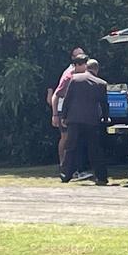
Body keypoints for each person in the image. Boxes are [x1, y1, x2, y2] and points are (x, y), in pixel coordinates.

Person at [60, 55, 110, 185]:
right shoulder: (101, 83)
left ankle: (66, 174)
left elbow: (67, 99)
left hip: (74, 119)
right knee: (95, 149)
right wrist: (105, 118)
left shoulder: (75, 79)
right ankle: (101, 176)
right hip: (91, 121)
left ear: (87, 67)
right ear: (97, 70)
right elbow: (104, 104)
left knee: (71, 147)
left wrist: (63, 116)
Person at [50, 47, 92, 181]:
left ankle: (70, 168)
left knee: (72, 139)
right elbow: (56, 95)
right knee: (67, 139)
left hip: (72, 111)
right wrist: (55, 115)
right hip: (65, 111)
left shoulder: (79, 74)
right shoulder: (69, 75)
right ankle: (65, 167)